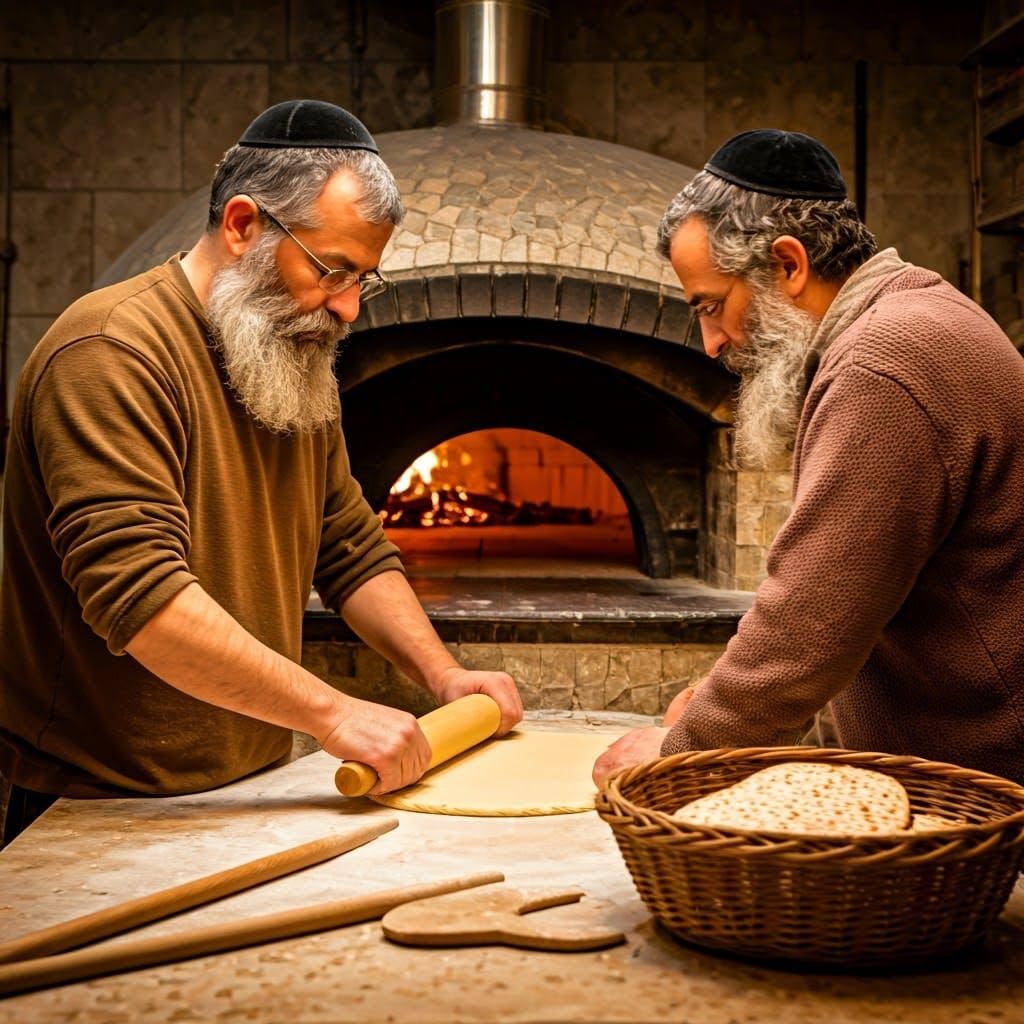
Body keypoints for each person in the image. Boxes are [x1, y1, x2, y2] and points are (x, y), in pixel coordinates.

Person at [0, 99, 523, 843]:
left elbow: (347, 547)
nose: (346, 308)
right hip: (96, 803)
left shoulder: (290, 353)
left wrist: (443, 677)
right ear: (243, 225)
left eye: (362, 279)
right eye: (331, 270)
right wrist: (334, 713)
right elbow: (139, 598)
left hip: (252, 784)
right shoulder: (110, 352)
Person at [594, 128, 1024, 787]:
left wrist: (677, 755)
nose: (711, 342)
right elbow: (863, 622)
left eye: (712, 306)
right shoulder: (915, 316)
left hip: (988, 790)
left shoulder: (884, 363)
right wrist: (733, 721)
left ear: (789, 264)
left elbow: (810, 621)